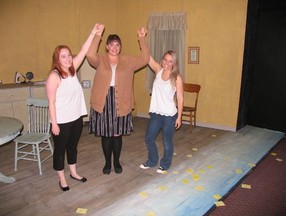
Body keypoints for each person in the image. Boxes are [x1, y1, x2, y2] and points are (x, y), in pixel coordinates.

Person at [46, 23, 104, 191]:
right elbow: (51, 102)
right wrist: (54, 124)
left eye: (69, 55)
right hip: (61, 121)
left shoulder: (72, 71)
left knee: (72, 147)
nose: (68, 59)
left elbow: (84, 50)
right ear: (57, 60)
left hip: (76, 118)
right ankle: (62, 178)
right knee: (60, 150)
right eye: (63, 56)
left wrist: (93, 32)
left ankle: (73, 172)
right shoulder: (54, 76)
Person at [86, 27, 150, 175]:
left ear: (120, 47)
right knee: (106, 134)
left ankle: (116, 162)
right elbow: (89, 54)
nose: (115, 47)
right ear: (107, 46)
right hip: (103, 101)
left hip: (121, 101)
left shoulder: (128, 61)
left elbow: (145, 59)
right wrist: (97, 35)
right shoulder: (100, 59)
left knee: (116, 134)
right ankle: (107, 162)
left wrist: (142, 39)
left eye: (118, 45)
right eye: (112, 44)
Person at [140, 50, 184, 174]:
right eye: (165, 60)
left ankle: (165, 164)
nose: (167, 63)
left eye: (170, 61)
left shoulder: (177, 78)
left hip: (169, 115)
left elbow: (180, 97)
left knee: (167, 141)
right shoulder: (158, 70)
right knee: (149, 138)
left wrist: (179, 117)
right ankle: (152, 160)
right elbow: (147, 56)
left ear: (174, 63)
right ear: (162, 60)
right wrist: (142, 38)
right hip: (156, 113)